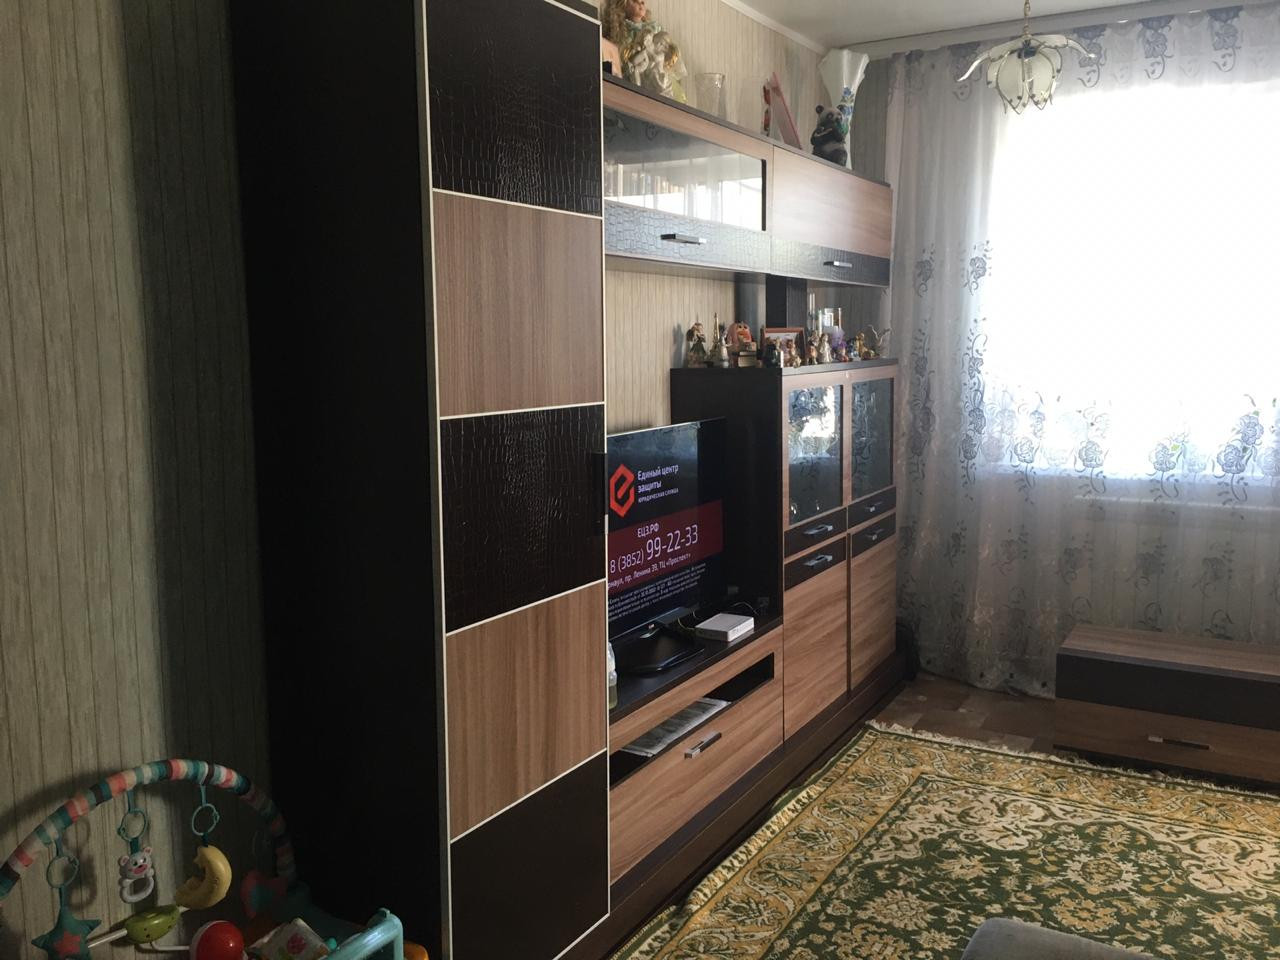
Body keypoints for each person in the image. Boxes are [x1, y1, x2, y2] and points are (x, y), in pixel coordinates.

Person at [601, 0, 688, 102]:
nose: (640, 4)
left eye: (642, 2)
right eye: (635, 1)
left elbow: (664, 49)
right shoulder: (622, 32)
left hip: (653, 68)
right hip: (638, 67)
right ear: (622, 4)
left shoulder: (654, 28)